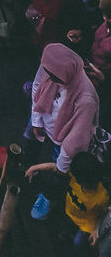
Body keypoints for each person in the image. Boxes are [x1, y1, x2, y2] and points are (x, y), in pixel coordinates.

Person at [25, 44, 100, 220]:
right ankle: (25, 167)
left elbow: (77, 138)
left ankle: (48, 198)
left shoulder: (86, 98)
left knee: (59, 174)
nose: (49, 78)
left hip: (65, 140)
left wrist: (62, 165)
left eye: (55, 78)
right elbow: (37, 85)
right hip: (43, 115)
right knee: (29, 143)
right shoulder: (50, 67)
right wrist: (36, 120)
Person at [62, 152, 110, 246]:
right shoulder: (75, 175)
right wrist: (35, 167)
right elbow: (57, 168)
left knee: (78, 243)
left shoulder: (101, 197)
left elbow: (103, 215)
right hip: (72, 215)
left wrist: (95, 230)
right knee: (72, 230)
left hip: (87, 227)